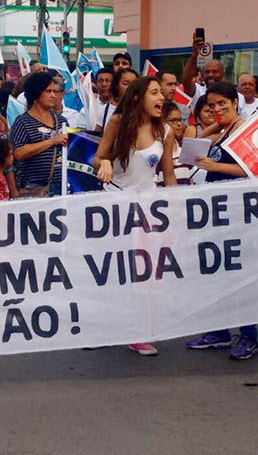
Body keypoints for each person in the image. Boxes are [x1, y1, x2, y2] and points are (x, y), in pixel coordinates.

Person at [93, 75, 177, 356]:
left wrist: (175, 208)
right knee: (112, 269)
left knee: (144, 273)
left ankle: (138, 331)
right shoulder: (117, 123)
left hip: (147, 210)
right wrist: (104, 162)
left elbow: (168, 175)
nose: (162, 97)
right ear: (139, 97)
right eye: (155, 92)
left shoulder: (165, 131)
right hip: (114, 206)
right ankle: (104, 327)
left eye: (162, 93)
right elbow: (98, 156)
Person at [187, 81, 258, 360]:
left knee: (242, 276)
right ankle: (219, 331)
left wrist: (215, 166)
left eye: (222, 105)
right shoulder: (224, 129)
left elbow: (253, 169)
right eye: (212, 106)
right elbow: (194, 146)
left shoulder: (244, 129)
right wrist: (215, 127)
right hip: (216, 211)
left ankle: (249, 336)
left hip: (239, 212)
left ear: (235, 103)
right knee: (217, 273)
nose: (216, 110)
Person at [9, 72, 69, 198]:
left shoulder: (61, 121)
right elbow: (19, 153)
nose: (53, 95)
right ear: (36, 94)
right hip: (34, 187)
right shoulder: (22, 122)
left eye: (55, 91)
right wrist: (51, 141)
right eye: (48, 91)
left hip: (62, 185)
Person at [158, 102, 196, 186]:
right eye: (174, 120)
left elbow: (193, 184)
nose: (179, 124)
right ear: (162, 123)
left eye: (180, 120)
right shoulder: (156, 155)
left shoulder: (185, 153)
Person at [96, 68, 138, 133]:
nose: (130, 87)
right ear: (116, 85)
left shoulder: (142, 109)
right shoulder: (105, 109)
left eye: (134, 84)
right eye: (126, 83)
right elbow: (96, 137)